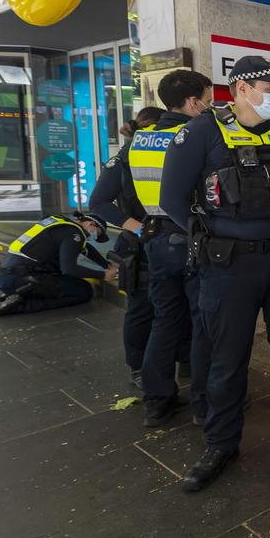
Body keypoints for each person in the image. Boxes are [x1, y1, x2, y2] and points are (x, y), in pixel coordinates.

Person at [160, 56, 270, 492]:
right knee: (227, 358)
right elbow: (173, 199)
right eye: (269, 87)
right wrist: (212, 235)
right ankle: (220, 442)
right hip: (229, 266)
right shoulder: (202, 131)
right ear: (240, 89)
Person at [128, 70, 214, 428]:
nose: (210, 107)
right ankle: (204, 404)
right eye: (208, 100)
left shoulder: (139, 140)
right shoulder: (196, 136)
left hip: (157, 240)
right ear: (193, 102)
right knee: (202, 324)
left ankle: (157, 400)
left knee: (165, 321)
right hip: (193, 237)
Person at [89, 106, 163, 388]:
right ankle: (138, 367)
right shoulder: (122, 160)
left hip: (170, 242)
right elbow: (98, 203)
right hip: (139, 247)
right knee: (141, 309)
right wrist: (139, 227)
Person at [0, 212, 115, 317]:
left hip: (8, 274)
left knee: (71, 282)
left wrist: (106, 264)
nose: (94, 238)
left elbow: (86, 249)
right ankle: (22, 305)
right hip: (22, 278)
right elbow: (69, 269)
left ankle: (18, 294)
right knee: (83, 291)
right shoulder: (74, 233)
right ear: (91, 224)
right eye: (97, 234)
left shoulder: (60, 223)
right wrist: (103, 275)